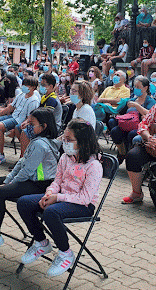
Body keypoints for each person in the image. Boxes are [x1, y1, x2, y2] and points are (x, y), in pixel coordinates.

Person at [16, 119, 102, 277]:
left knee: (51, 213)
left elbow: (84, 198)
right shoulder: (66, 158)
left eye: (69, 140)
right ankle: (41, 241)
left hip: (82, 205)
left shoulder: (94, 165)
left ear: (82, 142)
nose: (65, 143)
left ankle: (65, 253)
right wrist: (49, 193)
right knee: (24, 202)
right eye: (65, 138)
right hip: (60, 197)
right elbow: (57, 181)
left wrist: (57, 198)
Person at [0, 108, 59, 257]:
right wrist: (7, 181)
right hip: (31, 180)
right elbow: (21, 163)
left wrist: (8, 185)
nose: (26, 126)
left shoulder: (41, 145)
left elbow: (26, 171)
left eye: (31, 123)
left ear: (43, 127)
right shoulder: (36, 141)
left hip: (40, 185)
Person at [0, 77, 40, 165]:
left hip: (19, 120)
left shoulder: (34, 100)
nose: (24, 86)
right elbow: (10, 108)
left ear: (33, 87)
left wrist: (23, 124)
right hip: (13, 116)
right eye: (24, 84)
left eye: (27, 85)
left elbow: (30, 117)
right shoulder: (21, 95)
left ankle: (0, 154)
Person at [108, 76, 156, 161]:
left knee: (132, 134)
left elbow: (150, 113)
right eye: (135, 87)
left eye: (138, 87)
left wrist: (137, 106)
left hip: (140, 126)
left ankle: (130, 155)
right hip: (127, 124)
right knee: (115, 131)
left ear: (145, 88)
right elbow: (121, 112)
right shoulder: (132, 99)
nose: (135, 89)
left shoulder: (150, 101)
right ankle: (122, 152)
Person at [17, 74, 62, 155]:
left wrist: (30, 123)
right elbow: (37, 111)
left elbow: (46, 117)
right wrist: (28, 121)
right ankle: (29, 152)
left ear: (51, 86)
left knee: (25, 132)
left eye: (44, 85)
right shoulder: (45, 97)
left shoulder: (52, 100)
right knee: (18, 128)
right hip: (42, 123)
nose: (41, 87)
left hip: (51, 127)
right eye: (41, 84)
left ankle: (23, 157)